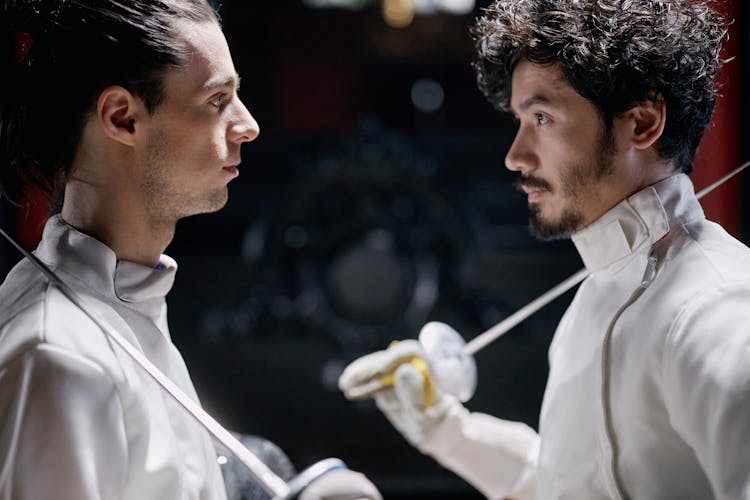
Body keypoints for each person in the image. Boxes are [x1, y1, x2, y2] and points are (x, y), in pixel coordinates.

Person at [339, 1, 750, 498]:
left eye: (542, 117)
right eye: (519, 120)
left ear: (642, 123)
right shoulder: (595, 298)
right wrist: (449, 432)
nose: (515, 156)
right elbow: (576, 483)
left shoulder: (718, 311)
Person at [0, 1, 380, 499]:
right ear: (123, 117)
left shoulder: (129, 297)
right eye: (218, 100)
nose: (248, 125)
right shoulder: (58, 357)